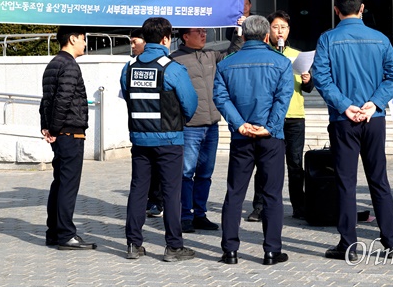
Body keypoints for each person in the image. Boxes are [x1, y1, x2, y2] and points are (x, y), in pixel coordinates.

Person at [312, 0, 393, 262]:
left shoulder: (328, 39)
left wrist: (344, 105)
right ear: (362, 8)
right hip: (373, 118)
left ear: (336, 10)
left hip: (344, 120)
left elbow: (321, 78)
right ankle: (391, 243)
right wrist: (374, 102)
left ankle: (348, 245)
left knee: (346, 183)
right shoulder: (380, 38)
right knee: (379, 182)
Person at [213, 15, 294, 266]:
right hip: (271, 138)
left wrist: (240, 124)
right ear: (267, 36)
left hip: (242, 136)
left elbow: (221, 97)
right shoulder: (280, 62)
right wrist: (269, 127)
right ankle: (271, 250)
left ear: (244, 36)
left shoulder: (227, 63)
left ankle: (230, 251)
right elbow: (283, 98)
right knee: (272, 194)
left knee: (235, 193)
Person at [120, 17, 198, 262]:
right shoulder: (172, 67)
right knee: (171, 192)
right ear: (166, 39)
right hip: (169, 140)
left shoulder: (129, 67)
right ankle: (173, 246)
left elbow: (127, 94)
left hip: (140, 139)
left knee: (138, 190)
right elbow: (190, 104)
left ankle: (133, 245)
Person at [170, 27, 243, 233]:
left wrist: (238, 31)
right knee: (186, 173)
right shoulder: (175, 60)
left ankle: (200, 214)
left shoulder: (211, 55)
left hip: (211, 125)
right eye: (198, 31)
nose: (204, 35)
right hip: (189, 127)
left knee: (205, 173)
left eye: (204, 31)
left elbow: (233, 53)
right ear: (185, 36)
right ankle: (185, 215)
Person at [247, 10, 314, 222]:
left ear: (289, 30)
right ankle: (259, 206)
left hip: (294, 116)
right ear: (268, 31)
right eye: (275, 27)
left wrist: (307, 80)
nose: (279, 31)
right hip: (268, 118)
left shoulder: (297, 55)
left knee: (295, 164)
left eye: (283, 27)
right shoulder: (263, 53)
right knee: (264, 163)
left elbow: (309, 88)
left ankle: (299, 206)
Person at [40, 26, 97, 250]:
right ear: (72, 39)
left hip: (60, 133)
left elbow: (46, 100)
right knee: (68, 185)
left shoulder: (53, 63)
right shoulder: (70, 65)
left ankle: (54, 231)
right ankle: (65, 234)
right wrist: (53, 128)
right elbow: (62, 100)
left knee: (60, 183)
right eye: (83, 39)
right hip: (70, 133)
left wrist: (46, 126)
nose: (85, 43)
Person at [130, 28, 163, 218]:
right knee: (142, 178)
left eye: (135, 41)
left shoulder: (166, 65)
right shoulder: (131, 66)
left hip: (164, 130)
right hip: (141, 131)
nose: (132, 46)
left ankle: (158, 202)